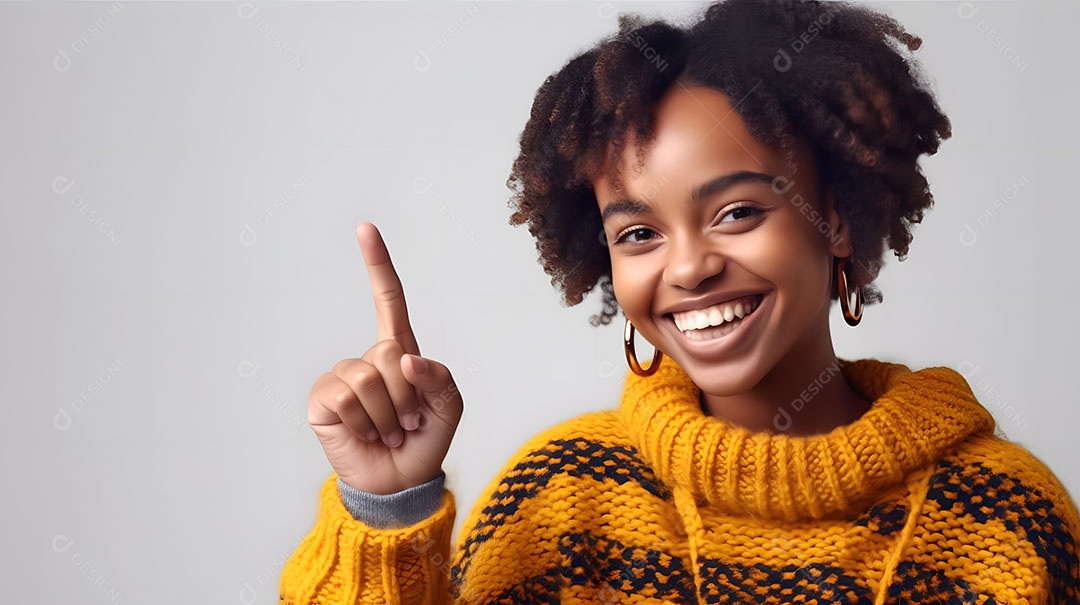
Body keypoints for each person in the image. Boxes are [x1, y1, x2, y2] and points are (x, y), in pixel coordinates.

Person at [279, 0, 1080, 602]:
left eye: (736, 213)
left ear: (832, 218)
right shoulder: (565, 498)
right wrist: (386, 505)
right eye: (638, 234)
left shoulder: (1007, 516)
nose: (690, 267)